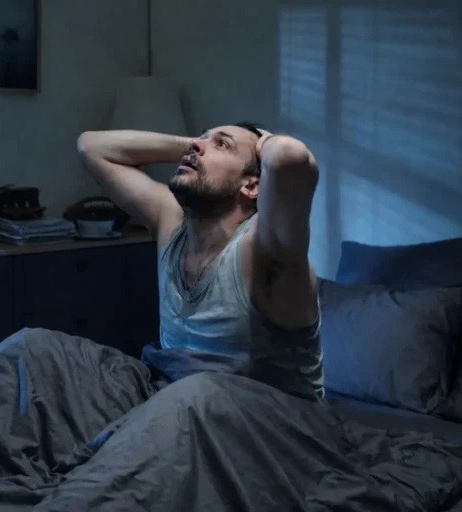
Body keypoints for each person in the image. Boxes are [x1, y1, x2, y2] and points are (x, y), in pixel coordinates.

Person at [76, 123, 323, 399]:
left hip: (262, 424)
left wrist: (262, 140)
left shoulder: (265, 248)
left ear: (252, 186)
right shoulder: (169, 219)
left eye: (222, 145)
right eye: (200, 138)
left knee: (194, 391)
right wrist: (194, 145)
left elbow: (288, 155)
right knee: (38, 351)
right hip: (175, 408)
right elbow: (91, 146)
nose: (196, 146)